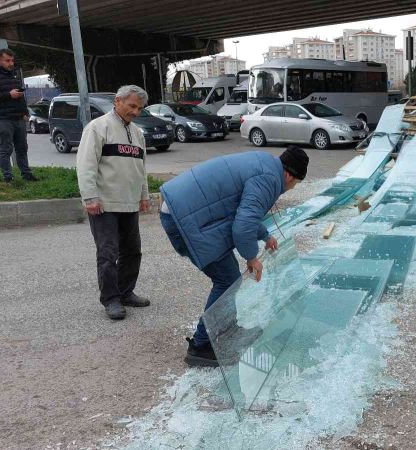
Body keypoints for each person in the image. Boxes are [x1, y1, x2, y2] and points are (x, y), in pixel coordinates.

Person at [159, 146, 309, 367]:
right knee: (226, 279)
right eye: (295, 183)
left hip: (186, 211)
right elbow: (243, 224)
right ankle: (201, 346)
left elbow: (241, 209)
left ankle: (227, 328)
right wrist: (251, 257)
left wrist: (265, 235)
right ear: (289, 174)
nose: (291, 188)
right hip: (185, 218)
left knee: (229, 277)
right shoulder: (269, 179)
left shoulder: (265, 165)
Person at [76, 85, 151, 320]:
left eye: (139, 108)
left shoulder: (137, 133)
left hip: (129, 203)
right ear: (117, 101)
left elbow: (141, 168)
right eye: (132, 106)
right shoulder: (98, 128)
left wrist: (144, 195)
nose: (136, 112)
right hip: (104, 203)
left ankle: (126, 292)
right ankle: (110, 299)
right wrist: (90, 196)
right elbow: (86, 164)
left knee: (132, 251)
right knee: (108, 253)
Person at [0, 48, 36, 183]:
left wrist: (25, 112)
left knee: (22, 147)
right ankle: (8, 177)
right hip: (2, 118)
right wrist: (8, 95)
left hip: (18, 117)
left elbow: (19, 96)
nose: (11, 63)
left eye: (12, 60)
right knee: (6, 149)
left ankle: (26, 174)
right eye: (7, 60)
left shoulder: (14, 74)